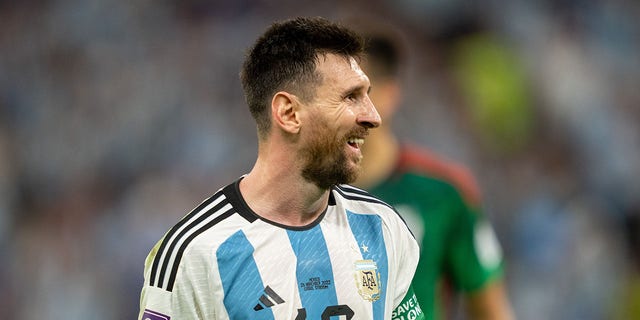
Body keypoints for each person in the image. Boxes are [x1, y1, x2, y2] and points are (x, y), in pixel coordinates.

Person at [138, 17, 425, 320]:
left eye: (368, 95)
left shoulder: (383, 228)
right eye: (351, 97)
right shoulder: (194, 255)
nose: (373, 116)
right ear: (288, 113)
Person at [353, 28, 516, 320]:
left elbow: (490, 309)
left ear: (388, 95)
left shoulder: (442, 192)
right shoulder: (300, 197)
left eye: (355, 93)